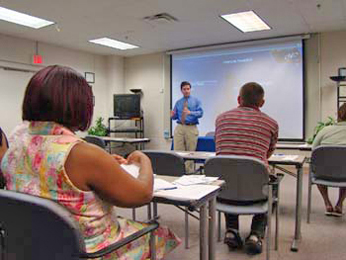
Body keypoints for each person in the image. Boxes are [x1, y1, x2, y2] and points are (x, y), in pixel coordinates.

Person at [1, 65, 180, 259]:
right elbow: (142, 195)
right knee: (159, 233)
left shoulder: (16, 141)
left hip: (33, 244)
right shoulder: (81, 153)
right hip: (88, 251)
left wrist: (104, 163)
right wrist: (144, 160)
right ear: (79, 105)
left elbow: (44, 172)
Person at [215, 82, 278, 255]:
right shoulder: (272, 123)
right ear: (262, 103)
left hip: (224, 195)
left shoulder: (221, 119)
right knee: (274, 184)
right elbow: (267, 154)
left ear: (238, 99)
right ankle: (255, 235)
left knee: (229, 173)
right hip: (256, 194)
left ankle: (231, 230)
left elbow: (221, 151)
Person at [312, 103, 346, 217]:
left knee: (318, 167)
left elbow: (314, 149)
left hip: (323, 174)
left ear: (338, 115)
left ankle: (327, 202)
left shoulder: (325, 130)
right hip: (345, 174)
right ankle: (340, 203)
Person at [171, 81, 203, 173]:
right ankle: (179, 171)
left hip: (191, 127)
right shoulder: (178, 102)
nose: (186, 91)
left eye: (188, 89)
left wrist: (190, 113)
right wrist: (172, 115)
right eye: (184, 89)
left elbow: (201, 113)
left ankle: (189, 173)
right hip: (180, 127)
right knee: (178, 150)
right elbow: (175, 116)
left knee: (190, 152)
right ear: (181, 90)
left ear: (190, 89)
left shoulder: (196, 101)